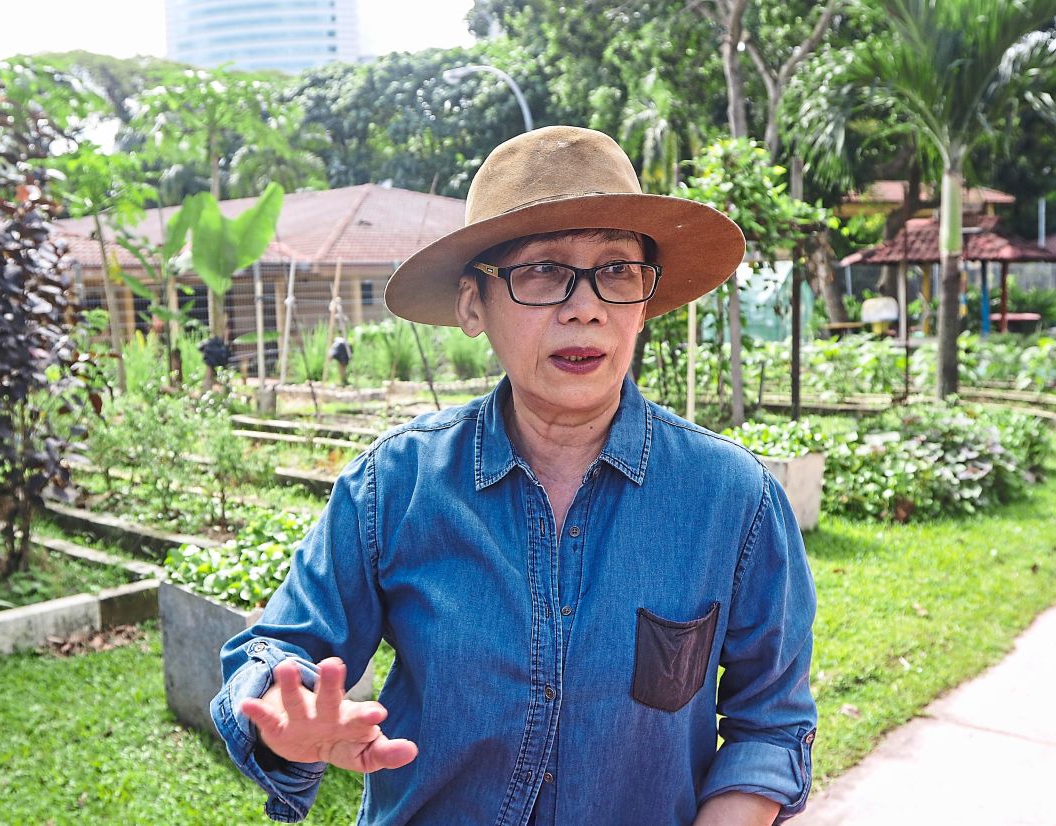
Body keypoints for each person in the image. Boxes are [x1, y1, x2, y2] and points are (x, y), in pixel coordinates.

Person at [211, 126, 817, 825]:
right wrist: (281, 720)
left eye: (617, 271)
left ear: (646, 303)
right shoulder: (396, 486)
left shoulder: (732, 500)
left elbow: (769, 724)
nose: (585, 306)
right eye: (542, 272)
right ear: (474, 304)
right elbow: (281, 651)